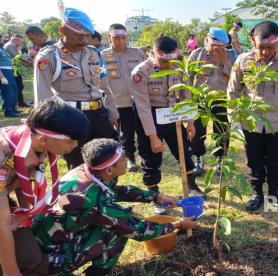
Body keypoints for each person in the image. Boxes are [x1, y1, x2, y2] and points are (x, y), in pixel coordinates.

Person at [32, 138, 197, 275]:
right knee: (119, 231)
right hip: (48, 258)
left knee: (117, 224)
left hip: (53, 238)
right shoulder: (89, 200)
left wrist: (156, 196)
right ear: (109, 170)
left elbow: (116, 191)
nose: (127, 161)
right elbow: (138, 230)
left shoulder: (88, 172)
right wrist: (179, 224)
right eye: (124, 158)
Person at [0, 98, 91, 276]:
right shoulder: (2, 155)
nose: (75, 147)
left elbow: (21, 180)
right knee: (20, 263)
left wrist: (23, 216)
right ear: (44, 139)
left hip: (5, 200)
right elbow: (1, 224)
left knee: (32, 259)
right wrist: (11, 271)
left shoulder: (34, 142)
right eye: (71, 141)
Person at [228, 20, 278, 211]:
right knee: (253, 161)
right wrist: (234, 117)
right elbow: (233, 90)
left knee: (276, 162)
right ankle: (257, 194)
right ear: (253, 41)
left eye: (270, 47)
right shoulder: (243, 60)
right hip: (251, 122)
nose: (265, 52)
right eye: (261, 47)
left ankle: (274, 194)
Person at [33, 7, 119, 169]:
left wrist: (112, 111)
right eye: (79, 36)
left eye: (87, 35)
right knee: (79, 165)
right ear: (62, 30)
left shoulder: (94, 54)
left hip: (99, 115)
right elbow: (42, 98)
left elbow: (104, 85)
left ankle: (107, 193)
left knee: (109, 160)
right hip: (71, 118)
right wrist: (46, 130)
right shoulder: (49, 57)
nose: (85, 40)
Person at [131, 35, 204, 214]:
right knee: (151, 158)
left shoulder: (178, 67)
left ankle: (191, 185)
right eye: (163, 60)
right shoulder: (141, 72)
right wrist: (154, 137)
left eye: (171, 59)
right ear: (154, 53)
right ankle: (154, 196)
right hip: (150, 116)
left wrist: (191, 123)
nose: (167, 64)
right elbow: (143, 107)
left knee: (184, 152)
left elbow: (186, 95)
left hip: (173, 114)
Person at [101, 24, 145, 172]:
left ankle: (145, 156)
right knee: (126, 133)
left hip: (139, 101)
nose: (120, 41)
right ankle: (130, 157)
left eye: (123, 38)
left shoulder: (137, 53)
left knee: (143, 131)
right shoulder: (103, 56)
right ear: (109, 38)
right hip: (119, 102)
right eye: (116, 38)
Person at [188, 27, 232, 176]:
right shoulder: (197, 54)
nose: (217, 50)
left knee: (222, 130)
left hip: (222, 99)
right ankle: (199, 159)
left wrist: (225, 62)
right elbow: (188, 77)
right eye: (215, 46)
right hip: (201, 99)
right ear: (208, 41)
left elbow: (235, 78)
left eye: (221, 47)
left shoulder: (230, 56)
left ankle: (220, 161)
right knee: (198, 130)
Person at [0, 34, 19, 117]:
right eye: (1, 38)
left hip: (10, 71)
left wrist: (13, 71)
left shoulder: (2, 48)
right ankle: (8, 111)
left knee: (14, 89)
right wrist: (2, 77)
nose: (2, 39)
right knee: (7, 91)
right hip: (3, 71)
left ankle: (13, 108)